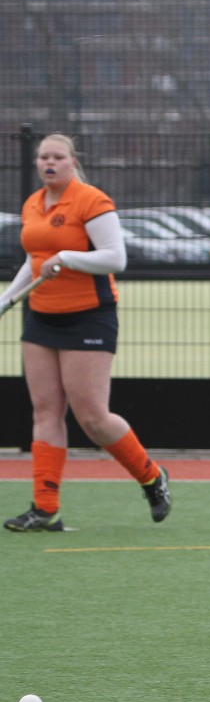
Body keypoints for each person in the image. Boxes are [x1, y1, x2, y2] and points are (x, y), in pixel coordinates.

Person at [0, 133, 171, 532]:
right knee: (45, 411)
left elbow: (116, 258)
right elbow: (34, 260)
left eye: (58, 157)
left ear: (72, 162)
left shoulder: (92, 201)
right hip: (41, 316)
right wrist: (7, 299)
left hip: (88, 317)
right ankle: (45, 510)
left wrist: (68, 257)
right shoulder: (32, 203)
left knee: (93, 418)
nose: (49, 163)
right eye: (44, 157)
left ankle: (151, 477)